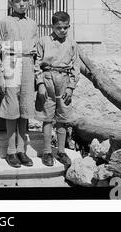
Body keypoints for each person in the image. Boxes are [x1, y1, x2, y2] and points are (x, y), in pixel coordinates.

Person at [0, 0, 38, 168]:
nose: (22, 4)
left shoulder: (32, 24)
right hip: (11, 62)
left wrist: (37, 75)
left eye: (25, 0)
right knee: (12, 108)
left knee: (25, 108)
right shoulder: (4, 22)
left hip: (28, 63)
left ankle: (22, 150)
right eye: (18, 1)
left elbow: (37, 52)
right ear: (11, 3)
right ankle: (11, 150)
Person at [34, 11, 80, 167]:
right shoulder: (43, 41)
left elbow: (76, 66)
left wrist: (71, 87)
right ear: (52, 26)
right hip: (48, 79)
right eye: (59, 27)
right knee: (47, 117)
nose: (62, 31)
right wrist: (40, 84)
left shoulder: (72, 44)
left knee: (62, 118)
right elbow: (37, 64)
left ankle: (61, 151)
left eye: (65, 27)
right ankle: (47, 151)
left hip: (64, 80)